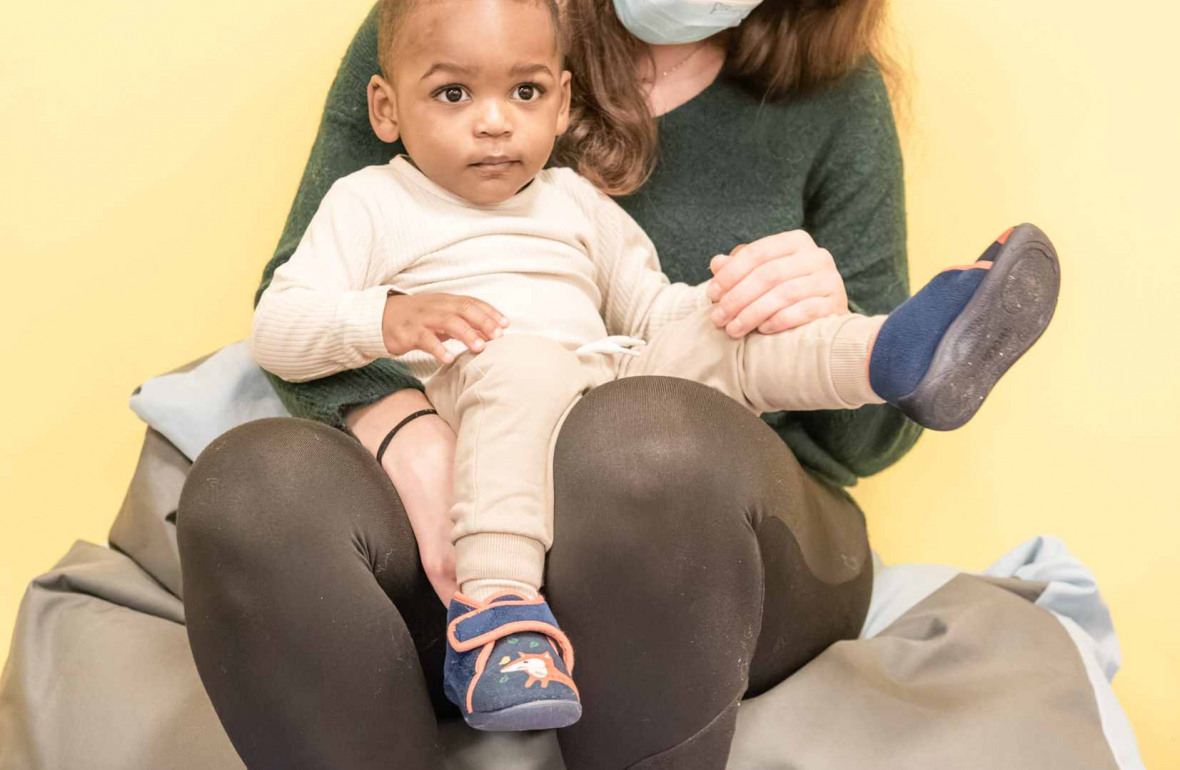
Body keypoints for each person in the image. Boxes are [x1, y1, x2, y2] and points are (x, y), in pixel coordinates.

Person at [175, 0, 1056, 766]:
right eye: (454, 94)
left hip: (674, 469)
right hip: (480, 401)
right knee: (254, 483)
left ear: (558, 102)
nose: (492, 121)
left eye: (523, 93)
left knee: (673, 391)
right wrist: (394, 374)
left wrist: (772, 308)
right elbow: (286, 319)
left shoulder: (577, 200)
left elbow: (656, 309)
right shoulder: (384, 172)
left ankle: (888, 352)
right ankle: (499, 610)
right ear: (389, 104)